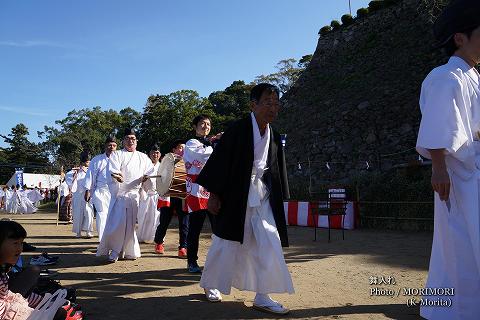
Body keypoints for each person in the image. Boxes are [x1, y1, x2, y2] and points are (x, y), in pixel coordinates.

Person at [196, 83, 293, 314]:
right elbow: (220, 163)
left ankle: (263, 294)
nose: (273, 108)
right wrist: (214, 195)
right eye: (268, 103)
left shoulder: (275, 136)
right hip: (235, 194)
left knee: (269, 239)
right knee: (226, 241)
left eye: (276, 104)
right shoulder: (237, 130)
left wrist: (281, 197)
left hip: (262, 195)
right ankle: (211, 284)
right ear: (253, 105)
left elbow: (277, 171)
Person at [416, 1, 480, 319]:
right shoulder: (445, 76)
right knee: (460, 247)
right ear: (460, 38)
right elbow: (438, 125)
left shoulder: (473, 76)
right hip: (459, 176)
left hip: (474, 171)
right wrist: (438, 169)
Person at [0, 220, 84, 320]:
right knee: (58, 314)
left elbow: (8, 295)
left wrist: (46, 303)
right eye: (15, 243)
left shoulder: (3, 270)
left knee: (33, 272)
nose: (20, 248)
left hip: (8, 305)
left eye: (21, 243)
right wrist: (29, 313)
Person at [96, 128, 155, 262]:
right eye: (127, 139)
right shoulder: (117, 155)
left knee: (131, 225)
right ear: (123, 141)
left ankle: (129, 250)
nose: (130, 141)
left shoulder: (143, 157)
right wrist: (116, 177)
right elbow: (112, 170)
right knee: (118, 223)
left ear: (136, 141)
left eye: (133, 139)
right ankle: (115, 250)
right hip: (120, 194)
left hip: (134, 196)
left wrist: (147, 178)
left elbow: (150, 172)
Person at [184, 115, 221, 273]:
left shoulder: (211, 143)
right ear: (195, 126)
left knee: (218, 228)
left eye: (208, 124)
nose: (206, 126)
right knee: (195, 228)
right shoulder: (191, 143)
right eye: (202, 124)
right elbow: (203, 155)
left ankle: (219, 261)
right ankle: (192, 261)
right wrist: (215, 143)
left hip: (212, 189)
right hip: (196, 190)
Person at [154, 140, 189, 257]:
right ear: (173, 150)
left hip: (183, 196)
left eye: (184, 148)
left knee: (184, 223)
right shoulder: (166, 161)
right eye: (180, 148)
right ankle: (159, 242)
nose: (183, 150)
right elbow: (161, 178)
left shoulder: (189, 162)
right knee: (164, 221)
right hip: (169, 196)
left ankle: (183, 246)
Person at [84, 136, 118, 241]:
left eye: (114, 145)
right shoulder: (97, 159)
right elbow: (90, 175)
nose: (111, 147)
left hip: (116, 191)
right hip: (101, 191)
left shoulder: (120, 158)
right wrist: (87, 190)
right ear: (105, 146)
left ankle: (112, 240)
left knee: (114, 217)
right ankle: (102, 240)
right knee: (102, 214)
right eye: (109, 145)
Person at [137, 144, 162, 243]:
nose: (155, 155)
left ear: (160, 154)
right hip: (146, 195)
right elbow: (139, 180)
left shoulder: (163, 166)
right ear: (149, 154)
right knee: (143, 216)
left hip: (159, 195)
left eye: (157, 153)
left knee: (157, 217)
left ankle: (156, 237)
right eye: (153, 152)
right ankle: (142, 236)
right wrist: (143, 179)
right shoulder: (145, 166)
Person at [67, 151, 94, 238]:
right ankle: (78, 232)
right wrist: (74, 175)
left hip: (88, 195)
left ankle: (88, 231)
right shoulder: (75, 171)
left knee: (89, 213)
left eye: (89, 161)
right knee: (78, 214)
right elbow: (69, 181)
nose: (88, 163)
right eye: (87, 162)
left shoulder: (92, 170)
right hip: (78, 195)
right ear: (82, 162)